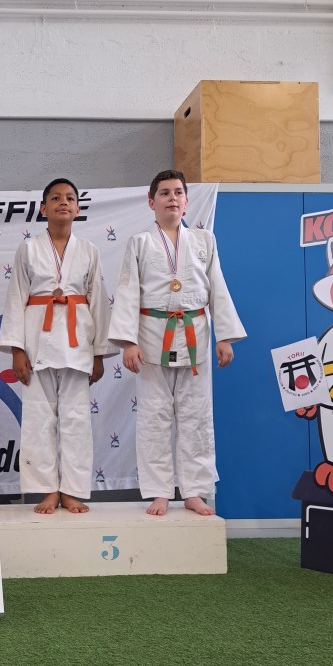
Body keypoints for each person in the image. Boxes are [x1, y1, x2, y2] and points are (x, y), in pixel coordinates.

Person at [109, 170, 245, 516]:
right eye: (165, 193)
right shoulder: (140, 243)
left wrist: (225, 336)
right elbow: (127, 291)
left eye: (178, 192)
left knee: (196, 417)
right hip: (151, 337)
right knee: (153, 418)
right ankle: (159, 492)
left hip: (195, 334)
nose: (172, 198)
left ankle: (195, 491)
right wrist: (128, 342)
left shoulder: (204, 241)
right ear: (151, 201)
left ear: (186, 202)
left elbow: (217, 287)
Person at [0, 178, 116, 513]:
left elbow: (98, 302)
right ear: (43, 208)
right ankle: (47, 489)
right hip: (37, 343)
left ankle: (72, 490)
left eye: (69, 198)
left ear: (77, 209)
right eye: (55, 198)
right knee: (38, 419)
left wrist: (99, 352)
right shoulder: (28, 248)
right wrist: (17, 349)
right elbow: (16, 297)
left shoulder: (89, 250)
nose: (63, 202)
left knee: (76, 421)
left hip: (78, 344)